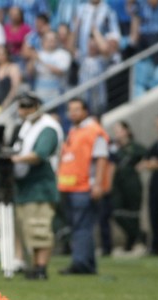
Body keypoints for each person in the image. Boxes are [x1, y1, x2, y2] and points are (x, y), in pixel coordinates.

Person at [10, 92, 64, 279]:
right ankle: (33, 265)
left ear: (37, 107)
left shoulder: (48, 127)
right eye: (21, 106)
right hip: (26, 184)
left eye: (28, 106)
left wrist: (13, 159)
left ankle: (41, 268)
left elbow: (39, 155)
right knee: (27, 229)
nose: (23, 110)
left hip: (40, 185)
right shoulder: (26, 125)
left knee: (39, 227)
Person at [57, 98, 109, 274]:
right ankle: (87, 263)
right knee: (80, 226)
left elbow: (101, 158)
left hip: (85, 186)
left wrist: (98, 184)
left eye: (77, 109)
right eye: (70, 109)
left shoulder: (94, 130)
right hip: (72, 186)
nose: (73, 113)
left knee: (81, 227)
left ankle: (80, 264)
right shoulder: (75, 130)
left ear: (86, 111)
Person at [110, 121, 147, 252]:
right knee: (117, 213)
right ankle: (137, 234)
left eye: (119, 130)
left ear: (127, 131)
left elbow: (148, 156)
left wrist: (143, 165)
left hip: (132, 184)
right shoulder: (114, 148)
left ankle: (133, 240)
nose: (117, 134)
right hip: (118, 185)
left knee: (133, 213)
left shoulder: (135, 147)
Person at [141, 114, 158, 256]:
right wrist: (157, 164)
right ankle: (155, 247)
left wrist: (155, 164)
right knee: (154, 217)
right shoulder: (156, 145)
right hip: (155, 186)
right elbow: (144, 163)